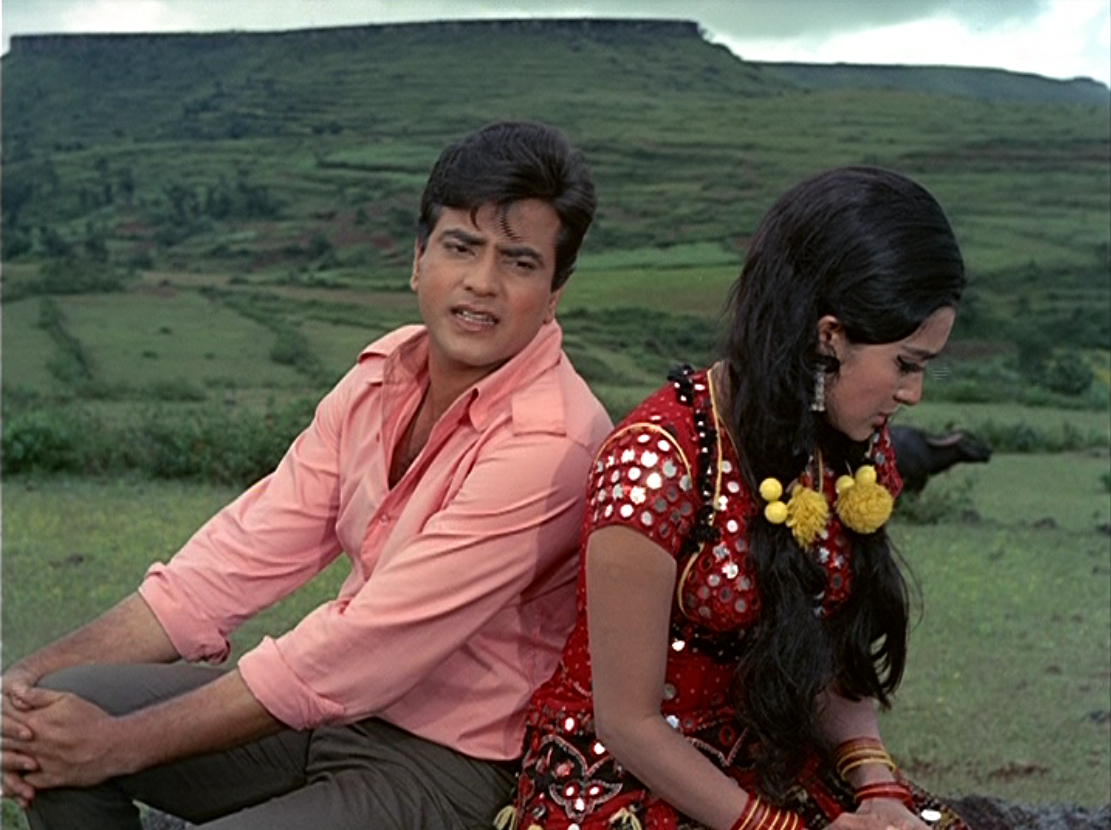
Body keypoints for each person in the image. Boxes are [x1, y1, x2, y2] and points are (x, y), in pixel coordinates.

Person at [0, 120, 613, 830]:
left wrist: (119, 745)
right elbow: (234, 559)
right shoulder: (381, 377)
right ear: (418, 259)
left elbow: (363, 648)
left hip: (448, 763)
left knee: (91, 739)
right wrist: (25, 680)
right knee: (50, 721)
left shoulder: (552, 443)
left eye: (519, 262)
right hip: (325, 719)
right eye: (460, 247)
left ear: (553, 294)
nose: (482, 282)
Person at [504, 166, 972, 830]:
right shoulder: (655, 463)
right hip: (620, 781)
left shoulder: (850, 454)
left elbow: (829, 664)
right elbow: (628, 724)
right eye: (906, 363)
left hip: (768, 762)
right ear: (829, 336)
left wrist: (878, 789)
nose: (913, 394)